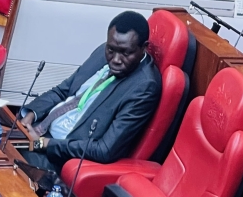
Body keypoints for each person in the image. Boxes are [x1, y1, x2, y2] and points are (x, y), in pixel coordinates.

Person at [20, 11, 161, 174]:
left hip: (60, 155)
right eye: (111, 49)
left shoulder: (144, 86)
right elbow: (64, 90)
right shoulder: (105, 50)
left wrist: (42, 143)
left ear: (144, 48)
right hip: (39, 129)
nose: (115, 59)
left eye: (125, 53)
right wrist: (29, 115)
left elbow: (105, 150)